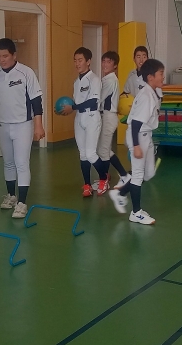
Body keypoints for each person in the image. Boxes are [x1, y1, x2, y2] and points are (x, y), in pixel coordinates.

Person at [0, 38, 44, 218]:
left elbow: (36, 101)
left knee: (21, 163)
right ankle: (11, 196)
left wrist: (38, 125)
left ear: (14, 55)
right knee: (8, 162)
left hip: (23, 124)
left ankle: (22, 203)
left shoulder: (26, 73)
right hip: (3, 124)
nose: (1, 60)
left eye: (5, 56)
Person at [109, 59, 164, 224]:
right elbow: (135, 123)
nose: (163, 76)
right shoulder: (146, 96)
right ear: (150, 77)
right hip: (138, 135)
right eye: (160, 74)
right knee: (138, 175)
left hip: (146, 135)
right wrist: (136, 145)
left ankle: (119, 193)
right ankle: (136, 212)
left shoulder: (153, 91)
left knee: (149, 173)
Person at [58, 47, 108, 197]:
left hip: (92, 117)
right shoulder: (76, 82)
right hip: (79, 118)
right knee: (83, 154)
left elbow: (93, 101)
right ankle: (87, 184)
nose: (77, 63)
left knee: (91, 154)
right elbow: (76, 102)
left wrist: (72, 107)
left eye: (80, 60)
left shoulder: (95, 79)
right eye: (75, 60)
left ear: (88, 61)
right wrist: (65, 109)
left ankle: (104, 179)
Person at [98, 51, 131, 191]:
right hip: (105, 116)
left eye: (109, 62)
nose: (105, 64)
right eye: (103, 61)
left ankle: (108, 179)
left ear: (115, 65)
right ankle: (119, 175)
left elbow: (99, 99)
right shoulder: (106, 79)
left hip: (108, 117)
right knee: (103, 150)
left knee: (103, 151)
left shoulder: (111, 80)